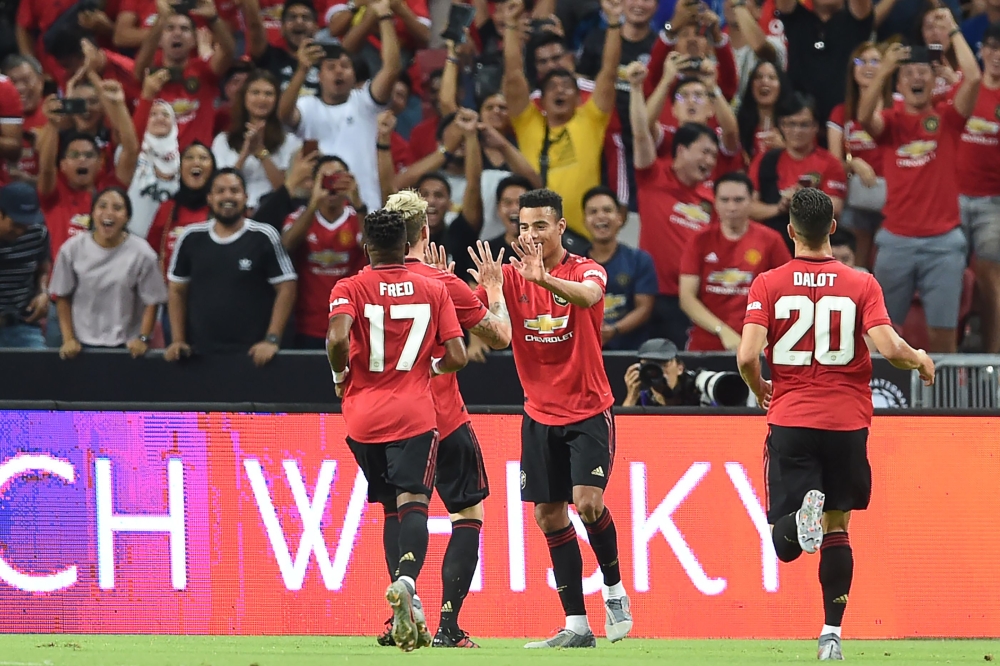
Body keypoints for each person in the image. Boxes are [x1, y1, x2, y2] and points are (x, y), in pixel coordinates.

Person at [736, 187, 935, 661]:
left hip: (791, 419)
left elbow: (746, 355)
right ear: (831, 227)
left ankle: (801, 517)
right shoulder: (862, 283)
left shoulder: (767, 283)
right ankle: (831, 636)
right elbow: (889, 348)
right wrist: (921, 360)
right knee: (838, 527)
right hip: (847, 423)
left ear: (790, 232)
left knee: (785, 546)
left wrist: (757, 384)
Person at [476, 188, 632, 648]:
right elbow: (499, 334)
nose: (530, 235)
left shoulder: (585, 269)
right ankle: (576, 625)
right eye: (523, 227)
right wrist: (479, 290)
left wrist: (542, 280)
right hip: (539, 414)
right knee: (548, 515)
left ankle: (615, 589)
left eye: (540, 226)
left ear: (560, 228)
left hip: (588, 410)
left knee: (588, 503)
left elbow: (587, 297)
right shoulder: (506, 276)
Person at [327, 208, 468, 653]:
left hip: (362, 417)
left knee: (389, 507)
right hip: (413, 413)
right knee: (414, 504)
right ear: (408, 244)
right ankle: (407, 581)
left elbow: (335, 340)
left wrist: (338, 376)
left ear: (366, 245)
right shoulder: (433, 287)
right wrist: (433, 366)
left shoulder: (349, 286)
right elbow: (459, 355)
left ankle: (399, 608)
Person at [379, 190, 512, 649]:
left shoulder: (365, 282)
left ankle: (399, 603)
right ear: (425, 231)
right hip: (443, 416)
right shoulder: (439, 282)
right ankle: (448, 627)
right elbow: (499, 337)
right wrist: (492, 291)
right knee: (466, 515)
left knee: (400, 510)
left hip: (389, 420)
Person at [858, 27, 980, 353]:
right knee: (882, 335)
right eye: (908, 73)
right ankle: (886, 402)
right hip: (895, 242)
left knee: (943, 334)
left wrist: (953, 31)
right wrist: (884, 68)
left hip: (943, 243)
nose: (916, 78)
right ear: (898, 85)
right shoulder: (890, 121)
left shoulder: (948, 119)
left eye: (922, 72)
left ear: (933, 80)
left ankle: (945, 402)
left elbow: (973, 78)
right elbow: (862, 115)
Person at [503, 0, 622, 240]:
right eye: (553, 87)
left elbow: (608, 72)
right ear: (542, 100)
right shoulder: (528, 122)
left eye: (567, 87)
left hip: (583, 237)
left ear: (580, 97)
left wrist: (614, 23)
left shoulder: (590, 119)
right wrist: (510, 27)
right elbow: (514, 76)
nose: (560, 91)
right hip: (533, 238)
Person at [278, 0, 401, 213]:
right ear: (319, 76)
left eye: (345, 66)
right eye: (331, 67)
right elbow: (283, 114)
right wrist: (301, 70)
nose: (339, 72)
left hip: (366, 206)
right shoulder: (307, 106)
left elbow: (391, 69)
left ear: (354, 75)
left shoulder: (365, 102)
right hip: (319, 210)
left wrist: (384, 17)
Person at [166, 168, 297, 363]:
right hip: (199, 355)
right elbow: (176, 290)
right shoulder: (190, 237)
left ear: (245, 197)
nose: (228, 196)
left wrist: (272, 339)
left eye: (234, 191)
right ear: (209, 198)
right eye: (220, 191)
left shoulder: (264, 236)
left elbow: (287, 287)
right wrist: (178, 340)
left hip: (254, 355)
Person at [630, 61, 718, 350]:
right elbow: (641, 133)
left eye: (714, 156)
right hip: (650, 296)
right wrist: (636, 88)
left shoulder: (710, 198)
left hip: (691, 299)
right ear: (681, 150)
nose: (710, 161)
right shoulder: (652, 175)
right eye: (704, 152)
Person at [49, 186, 167, 359]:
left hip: (126, 346)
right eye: (102, 206)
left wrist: (142, 338)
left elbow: (152, 300)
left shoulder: (143, 253)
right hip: (81, 345)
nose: (109, 213)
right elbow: (62, 296)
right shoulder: (72, 249)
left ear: (127, 217)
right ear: (93, 213)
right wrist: (69, 339)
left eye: (117, 208)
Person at [679, 172, 790, 351]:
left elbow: (789, 293)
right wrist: (722, 330)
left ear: (750, 201)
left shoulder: (771, 240)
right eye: (725, 200)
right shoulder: (699, 241)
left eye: (738, 200)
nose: (731, 207)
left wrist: (768, 333)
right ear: (714, 202)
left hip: (759, 346)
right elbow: (686, 298)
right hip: (706, 345)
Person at [281, 155, 365, 349]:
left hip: (353, 326)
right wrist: (313, 204)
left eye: (338, 178)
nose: (332, 185)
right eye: (325, 179)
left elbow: (372, 248)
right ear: (313, 183)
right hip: (308, 327)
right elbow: (287, 243)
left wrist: (358, 202)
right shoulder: (299, 218)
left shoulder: (358, 218)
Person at [749, 92, 846, 253]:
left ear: (815, 127)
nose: (797, 131)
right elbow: (750, 207)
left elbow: (835, 208)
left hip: (812, 244)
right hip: (769, 243)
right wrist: (779, 208)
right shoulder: (765, 160)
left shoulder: (830, 163)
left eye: (804, 125)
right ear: (781, 126)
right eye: (791, 124)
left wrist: (805, 201)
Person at [133, 0, 236, 149]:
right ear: (160, 40)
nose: (177, 33)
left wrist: (214, 18)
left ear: (194, 40)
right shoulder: (150, 74)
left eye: (184, 29)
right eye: (170, 28)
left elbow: (228, 52)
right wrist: (161, 20)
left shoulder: (204, 71)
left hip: (196, 161)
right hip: (158, 161)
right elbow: (139, 70)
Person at [826, 42, 890, 270]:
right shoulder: (841, 112)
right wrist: (855, 164)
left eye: (875, 61)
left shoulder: (898, 106)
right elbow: (833, 165)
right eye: (860, 61)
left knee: (887, 266)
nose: (867, 66)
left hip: (895, 196)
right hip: (857, 196)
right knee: (857, 265)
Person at [957, 22, 1000, 353]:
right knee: (951, 279)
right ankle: (950, 355)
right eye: (992, 48)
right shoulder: (962, 86)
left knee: (990, 280)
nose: (997, 56)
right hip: (952, 198)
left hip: (993, 202)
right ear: (981, 51)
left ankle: (993, 361)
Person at [212, 70, 302, 211]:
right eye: (255, 93)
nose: (262, 99)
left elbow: (285, 190)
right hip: (233, 211)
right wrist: (245, 153)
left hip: (273, 211)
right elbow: (222, 187)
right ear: (244, 97)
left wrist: (261, 152)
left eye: (268, 94)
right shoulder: (223, 140)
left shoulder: (289, 141)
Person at [582, 186, 656, 351]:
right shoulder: (571, 264)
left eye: (607, 210)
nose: (600, 216)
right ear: (584, 221)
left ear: (619, 218)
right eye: (593, 212)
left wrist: (613, 331)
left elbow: (644, 308)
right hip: (585, 353)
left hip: (629, 353)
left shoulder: (640, 260)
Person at [128, 70, 180, 239]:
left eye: (166, 115)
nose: (160, 118)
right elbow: (134, 135)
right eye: (153, 114)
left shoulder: (185, 159)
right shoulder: (134, 153)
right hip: (131, 237)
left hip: (165, 239)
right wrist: (147, 95)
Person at [0, 182, 50, 348]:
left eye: (26, 223)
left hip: (23, 324)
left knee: (40, 371)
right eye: (16, 224)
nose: (22, 230)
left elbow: (43, 269)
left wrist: (43, 292)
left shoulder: (37, 232)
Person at [622, 337, 700, 407]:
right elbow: (621, 423)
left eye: (663, 364)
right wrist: (631, 397)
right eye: (649, 366)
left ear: (680, 368)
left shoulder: (697, 395)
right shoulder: (643, 400)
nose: (658, 371)